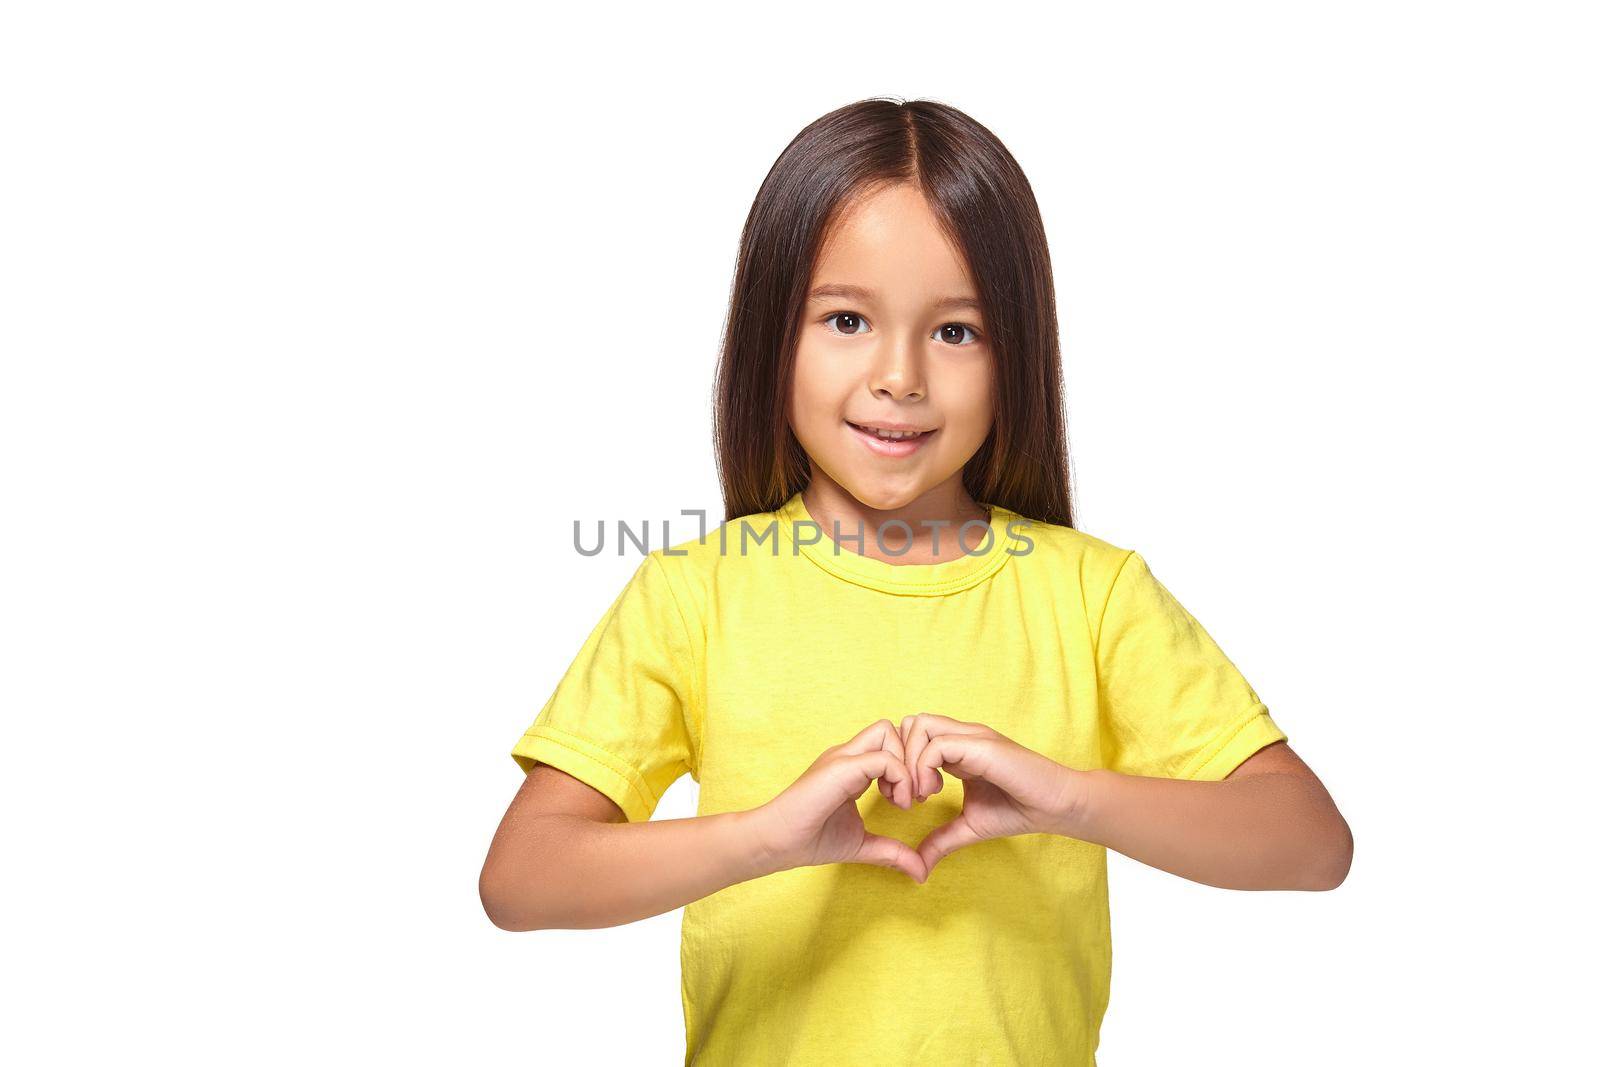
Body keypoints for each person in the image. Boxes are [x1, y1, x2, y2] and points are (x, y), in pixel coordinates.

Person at [479, 96, 1353, 1065]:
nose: (898, 375)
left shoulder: (1091, 594)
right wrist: (768, 836)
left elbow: (1310, 841)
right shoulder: (696, 593)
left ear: (1016, 351)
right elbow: (521, 878)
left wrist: (1066, 797)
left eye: (955, 331)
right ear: (774, 334)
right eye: (846, 318)